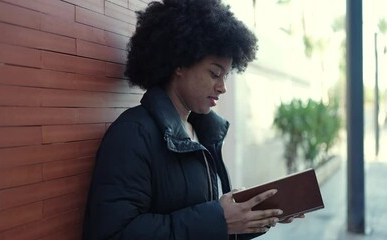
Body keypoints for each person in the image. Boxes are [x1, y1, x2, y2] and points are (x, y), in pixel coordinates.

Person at [83, 0, 301, 239]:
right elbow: (112, 234)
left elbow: (213, 226)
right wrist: (219, 219)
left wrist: (257, 215)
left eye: (225, 76)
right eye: (214, 74)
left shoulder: (205, 132)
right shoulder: (133, 134)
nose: (222, 87)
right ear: (180, 63)